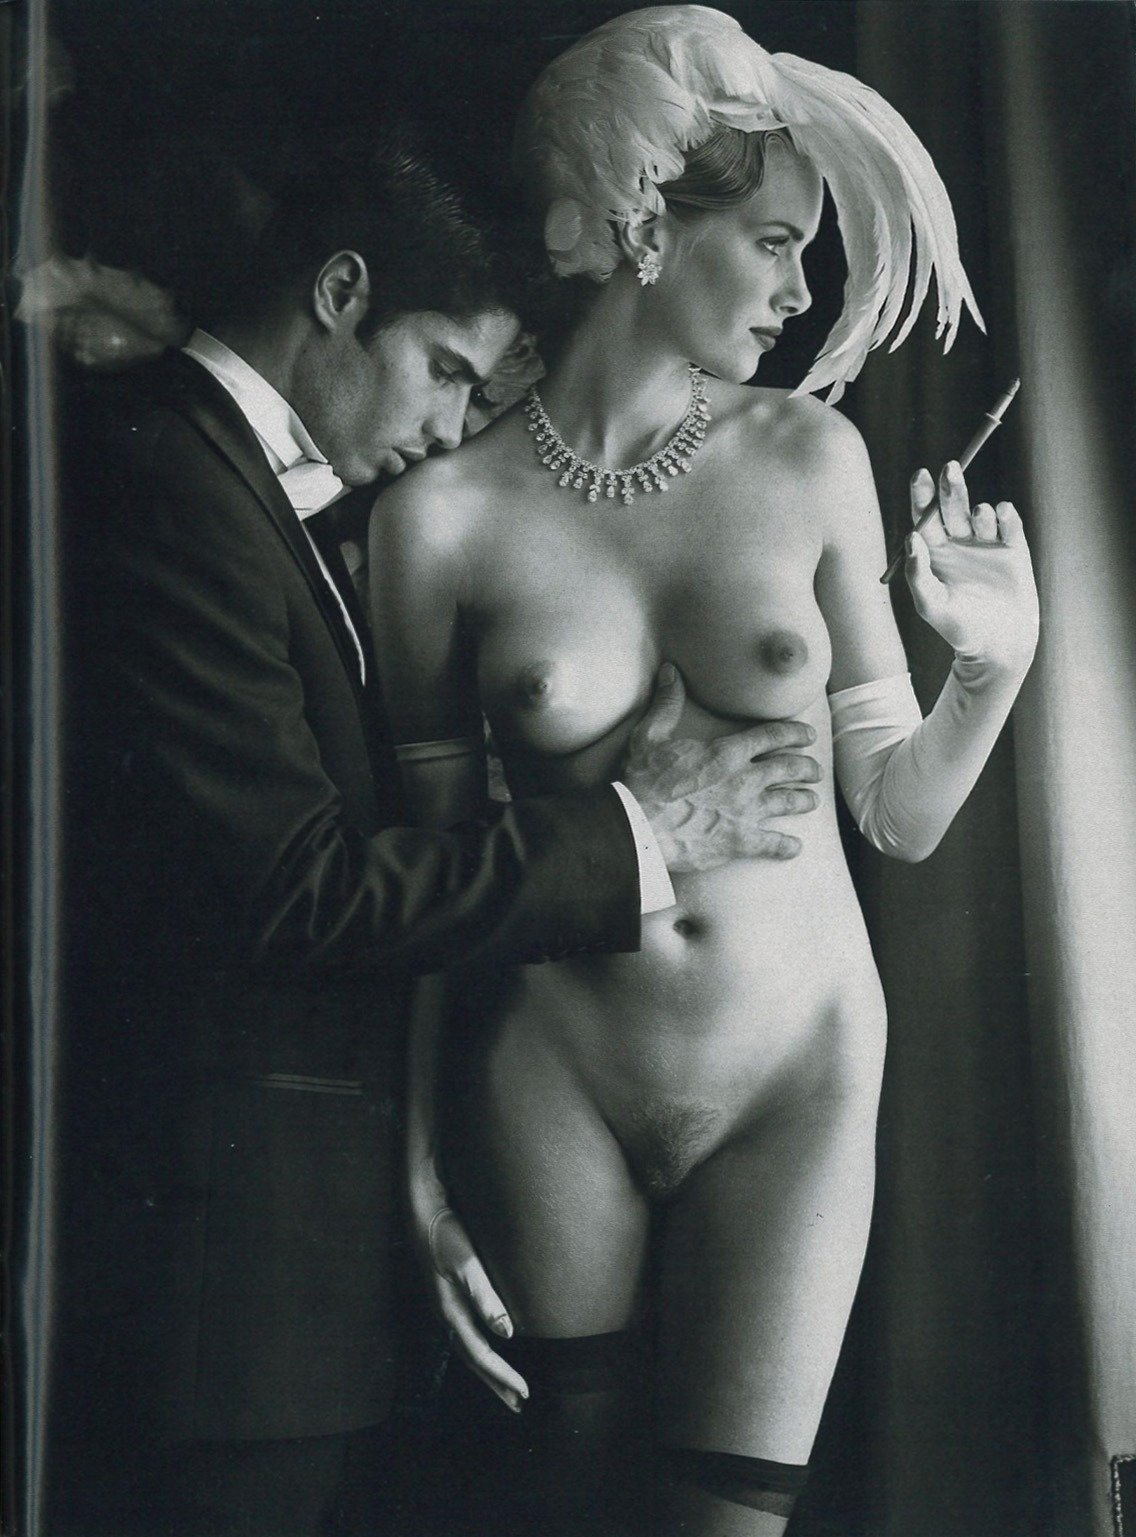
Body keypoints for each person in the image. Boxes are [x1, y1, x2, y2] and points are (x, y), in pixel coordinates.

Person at [47, 134, 824, 1537]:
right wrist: (644, 827)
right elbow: (301, 890)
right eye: (446, 371)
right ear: (343, 293)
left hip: (275, 1289)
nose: (456, 423)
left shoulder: (248, 484)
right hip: (220, 1298)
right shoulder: (178, 480)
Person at [369, 10, 1040, 1536]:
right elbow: (435, 888)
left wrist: (992, 668)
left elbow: (897, 814)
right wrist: (410, 1166)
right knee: (561, 1508)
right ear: (643, 231)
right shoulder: (438, 522)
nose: (802, 294)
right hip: (552, 1075)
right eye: (776, 244)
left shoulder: (810, 460)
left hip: (795, 1073)